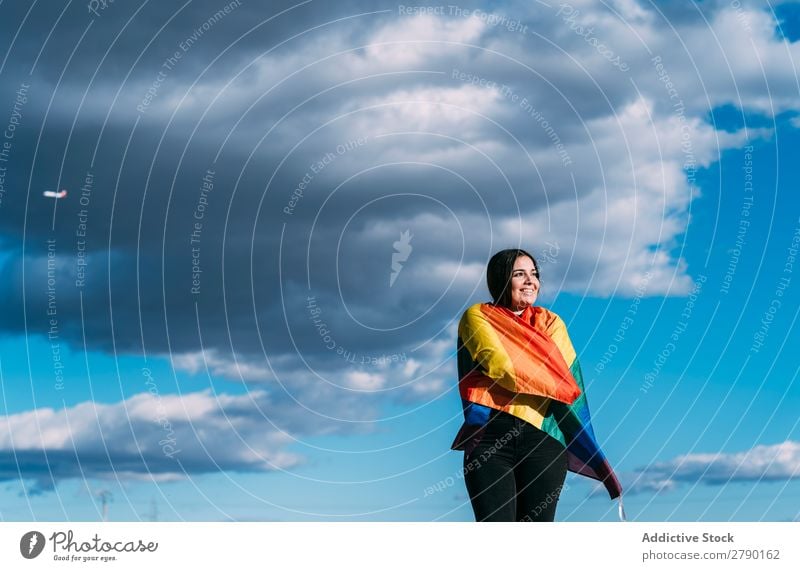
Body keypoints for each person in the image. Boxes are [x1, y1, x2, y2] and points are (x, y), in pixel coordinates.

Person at [451, 248, 623, 522]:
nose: (530, 281)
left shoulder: (552, 322)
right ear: (500, 279)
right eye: (519, 274)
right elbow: (504, 368)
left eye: (534, 274)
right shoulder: (478, 316)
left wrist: (550, 378)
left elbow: (565, 379)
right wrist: (547, 373)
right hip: (491, 439)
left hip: (545, 439)